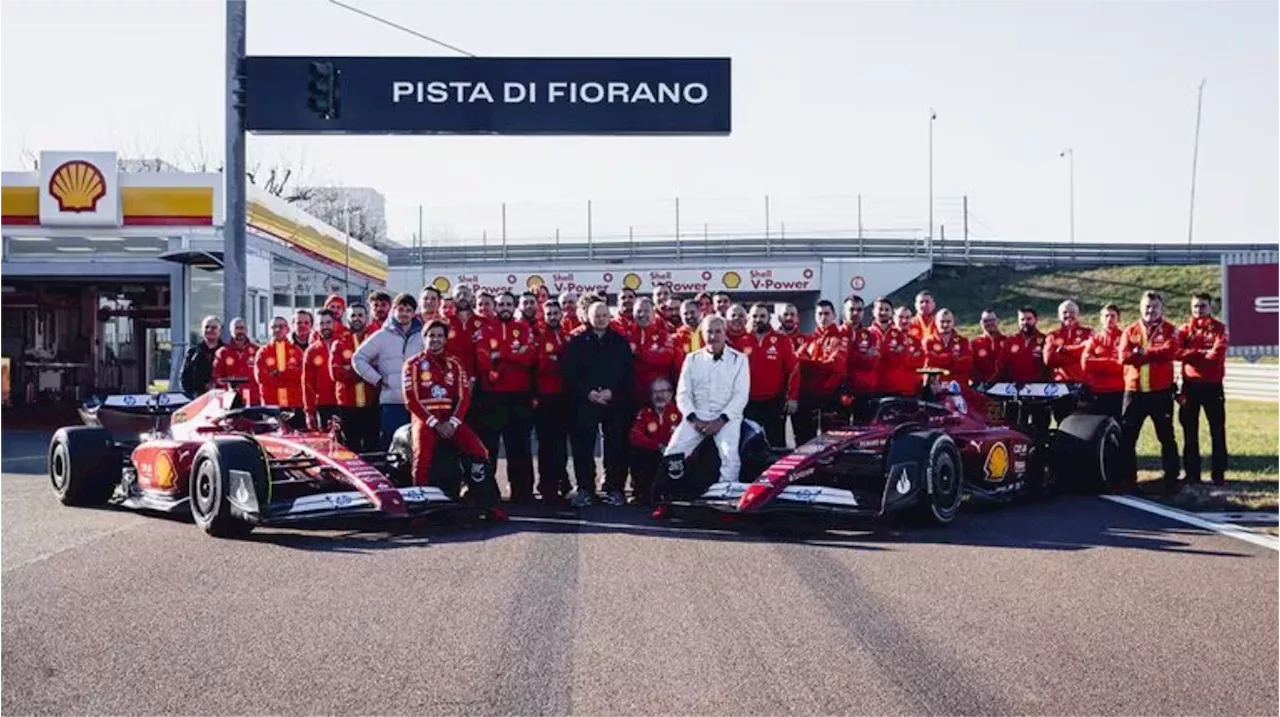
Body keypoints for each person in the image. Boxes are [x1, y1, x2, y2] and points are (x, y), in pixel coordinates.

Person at [653, 315, 751, 517]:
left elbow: (741, 396)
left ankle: (727, 505)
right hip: (695, 416)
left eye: (717, 331)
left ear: (725, 333)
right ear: (702, 334)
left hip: (727, 418)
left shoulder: (740, 360)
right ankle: (665, 500)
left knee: (729, 456)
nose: (713, 336)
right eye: (709, 332)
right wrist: (693, 419)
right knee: (673, 452)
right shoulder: (692, 359)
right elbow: (682, 393)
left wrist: (720, 421)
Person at [402, 320, 502, 516]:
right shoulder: (412, 363)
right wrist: (435, 424)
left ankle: (486, 501)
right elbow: (410, 400)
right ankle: (419, 509)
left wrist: (453, 422)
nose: (436, 340)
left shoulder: (455, 363)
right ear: (424, 338)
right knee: (421, 458)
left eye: (440, 336)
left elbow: (464, 397)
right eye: (431, 336)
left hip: (450, 418)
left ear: (445, 339)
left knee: (479, 450)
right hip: (425, 418)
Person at [562, 301, 636, 507]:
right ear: (587, 316)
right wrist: (588, 393)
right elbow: (569, 373)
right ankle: (585, 488)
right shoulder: (576, 342)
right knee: (583, 447)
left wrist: (612, 391)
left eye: (605, 315)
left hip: (615, 401)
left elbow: (627, 372)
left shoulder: (620, 342)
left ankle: (614, 488)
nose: (601, 319)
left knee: (616, 446)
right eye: (597, 315)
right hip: (585, 402)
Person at [473, 291, 537, 504]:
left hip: (519, 396)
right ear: (496, 307)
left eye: (509, 304)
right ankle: (488, 492)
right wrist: (511, 356)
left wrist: (502, 355)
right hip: (491, 396)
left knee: (519, 446)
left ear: (514, 306)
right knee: (489, 446)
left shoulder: (524, 328)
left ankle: (522, 492)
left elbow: (529, 357)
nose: (505, 308)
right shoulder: (485, 329)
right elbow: (482, 359)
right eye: (501, 304)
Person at [1118, 291, 1181, 495]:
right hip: (1134, 392)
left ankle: (1171, 480)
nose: (1150, 310)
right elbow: (1124, 357)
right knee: (1128, 437)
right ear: (1140, 308)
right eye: (1146, 306)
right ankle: (1128, 479)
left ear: (1161, 309)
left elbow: (1171, 351)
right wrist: (1152, 355)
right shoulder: (1130, 330)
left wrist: (1144, 354)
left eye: (1154, 307)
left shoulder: (1170, 329)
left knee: (1166, 437)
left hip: (1160, 393)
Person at [353, 293, 424, 450]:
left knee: (418, 443)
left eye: (408, 310)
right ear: (394, 310)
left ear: (413, 313)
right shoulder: (382, 336)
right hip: (392, 401)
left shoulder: (422, 337)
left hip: (419, 401)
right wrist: (377, 379)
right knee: (392, 443)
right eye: (400, 309)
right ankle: (389, 474)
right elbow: (358, 358)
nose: (404, 313)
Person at [1177, 292, 1229, 485]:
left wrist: (1192, 355)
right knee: (1189, 430)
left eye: (1203, 306)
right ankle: (1192, 473)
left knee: (1217, 430)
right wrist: (1200, 353)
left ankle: (1219, 474)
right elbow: (1177, 352)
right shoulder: (1184, 330)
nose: (1199, 310)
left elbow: (1217, 355)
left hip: (1213, 386)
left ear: (1210, 308)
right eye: (1196, 306)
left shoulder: (1219, 329)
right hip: (1190, 386)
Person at [742, 302, 799, 446]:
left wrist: (792, 397)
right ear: (749, 317)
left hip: (774, 401)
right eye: (755, 316)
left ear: (769, 318)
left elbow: (793, 370)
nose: (758, 319)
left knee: (776, 443)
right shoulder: (742, 340)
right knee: (750, 443)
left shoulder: (782, 340)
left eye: (762, 316)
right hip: (747, 402)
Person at [534, 300, 571, 507]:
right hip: (545, 397)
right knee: (547, 445)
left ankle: (562, 481)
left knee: (561, 445)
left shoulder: (567, 336)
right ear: (544, 315)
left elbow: (570, 365)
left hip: (564, 397)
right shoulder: (539, 337)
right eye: (549, 314)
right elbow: (542, 365)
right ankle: (546, 485)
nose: (553, 317)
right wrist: (557, 360)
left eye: (556, 313)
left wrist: (557, 360)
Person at [794, 300, 848, 443]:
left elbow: (836, 364)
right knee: (805, 437)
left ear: (834, 315)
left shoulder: (840, 338)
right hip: (810, 395)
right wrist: (817, 364)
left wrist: (809, 364)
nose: (823, 317)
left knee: (832, 439)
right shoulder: (811, 339)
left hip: (830, 395)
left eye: (827, 314)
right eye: (820, 314)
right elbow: (796, 359)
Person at [330, 303, 380, 452]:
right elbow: (336, 373)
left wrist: (350, 369)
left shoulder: (375, 341)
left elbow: (380, 368)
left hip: (371, 402)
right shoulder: (339, 344)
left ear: (367, 318)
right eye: (353, 315)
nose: (356, 319)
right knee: (350, 446)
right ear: (347, 319)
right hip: (347, 404)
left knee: (372, 444)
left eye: (360, 315)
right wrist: (364, 372)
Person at [629, 377, 681, 506]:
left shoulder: (680, 413)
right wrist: (657, 446)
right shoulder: (645, 413)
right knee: (637, 452)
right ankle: (642, 493)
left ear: (671, 393)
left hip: (674, 455)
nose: (660, 396)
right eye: (655, 392)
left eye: (664, 391)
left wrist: (670, 448)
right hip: (654, 455)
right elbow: (635, 435)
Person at [254, 316, 306, 430]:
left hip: (294, 404)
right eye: (274, 327)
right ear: (269, 330)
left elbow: (301, 376)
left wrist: (277, 374)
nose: (277, 330)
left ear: (287, 329)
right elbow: (261, 378)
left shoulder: (297, 351)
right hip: (271, 406)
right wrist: (288, 375)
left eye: (281, 327)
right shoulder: (262, 352)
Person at [1080, 304, 1125, 420]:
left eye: (1112, 316)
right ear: (1101, 319)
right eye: (1106, 316)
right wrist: (1112, 362)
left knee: (1121, 429)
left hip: (1120, 391)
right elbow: (1086, 364)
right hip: (1098, 391)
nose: (1109, 319)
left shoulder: (1125, 338)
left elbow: (1125, 365)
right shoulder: (1095, 339)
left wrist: (1099, 364)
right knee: (1099, 429)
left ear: (1118, 319)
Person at [629, 297, 676, 403]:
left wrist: (639, 353)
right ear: (633, 313)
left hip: (659, 393)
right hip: (634, 394)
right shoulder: (627, 335)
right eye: (639, 311)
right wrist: (651, 354)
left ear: (653, 313)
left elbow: (666, 358)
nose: (642, 315)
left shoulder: (663, 334)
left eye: (646, 311)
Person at [841, 295, 880, 421]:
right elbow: (842, 360)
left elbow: (873, 361)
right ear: (844, 311)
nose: (855, 313)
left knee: (863, 432)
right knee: (839, 431)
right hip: (841, 390)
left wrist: (854, 356)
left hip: (864, 390)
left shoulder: (869, 335)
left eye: (859, 310)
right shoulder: (837, 333)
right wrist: (862, 356)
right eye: (851, 309)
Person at [302, 309, 340, 431]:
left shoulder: (344, 344)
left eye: (328, 322)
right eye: (321, 324)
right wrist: (309, 411)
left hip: (344, 401)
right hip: (323, 404)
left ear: (334, 323)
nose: (325, 327)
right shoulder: (312, 351)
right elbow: (307, 383)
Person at [878, 307, 927, 398]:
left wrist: (901, 354)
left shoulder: (915, 340)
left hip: (912, 391)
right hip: (891, 391)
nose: (904, 321)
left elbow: (920, 362)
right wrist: (910, 356)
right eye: (901, 317)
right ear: (894, 318)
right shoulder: (885, 337)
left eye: (908, 317)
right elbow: (889, 360)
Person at [213, 317, 259, 405]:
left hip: (253, 400)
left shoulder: (257, 351)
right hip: (230, 400)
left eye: (242, 328)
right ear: (231, 331)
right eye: (236, 328)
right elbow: (217, 377)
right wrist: (228, 389)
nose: (240, 331)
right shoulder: (222, 352)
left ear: (246, 330)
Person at [922, 309, 973, 386]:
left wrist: (939, 359)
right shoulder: (928, 342)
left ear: (953, 322)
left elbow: (966, 364)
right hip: (936, 388)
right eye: (942, 322)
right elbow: (929, 363)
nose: (945, 325)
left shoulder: (963, 341)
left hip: (959, 387)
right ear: (936, 322)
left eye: (948, 322)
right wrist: (952, 357)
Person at [180, 315, 223, 397]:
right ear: (202, 330)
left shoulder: (226, 352)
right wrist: (192, 396)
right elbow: (183, 379)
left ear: (219, 331)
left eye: (214, 327)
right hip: (198, 400)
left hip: (222, 400)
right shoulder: (192, 353)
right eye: (206, 327)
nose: (209, 330)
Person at [1004, 307, 1048, 383]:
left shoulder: (1045, 340)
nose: (1025, 322)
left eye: (1029, 319)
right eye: (1022, 319)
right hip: (1015, 387)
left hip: (1039, 387)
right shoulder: (1010, 341)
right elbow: (1001, 365)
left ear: (1036, 320)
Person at [971, 310, 1005, 385]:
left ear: (998, 321)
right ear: (981, 323)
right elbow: (971, 368)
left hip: (1005, 388)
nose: (989, 323)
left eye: (992, 320)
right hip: (982, 388)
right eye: (986, 321)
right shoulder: (974, 344)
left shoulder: (1008, 342)